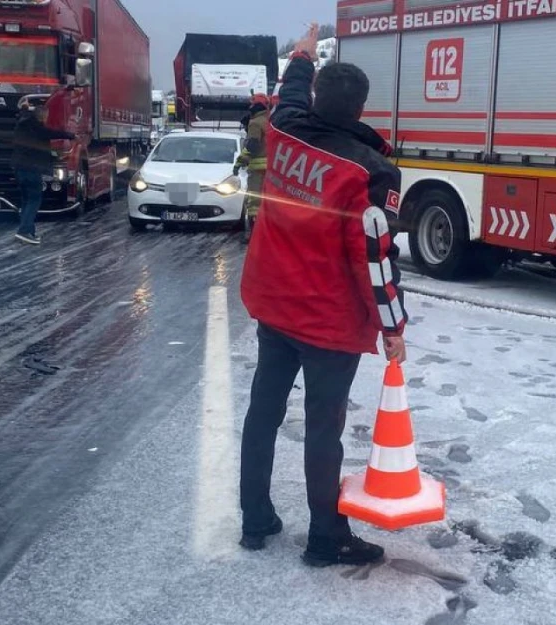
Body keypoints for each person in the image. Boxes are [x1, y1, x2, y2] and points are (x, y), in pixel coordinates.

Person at [238, 24, 409, 567]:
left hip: (274, 305)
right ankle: (326, 536)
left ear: (316, 98)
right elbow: (375, 262)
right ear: (361, 109)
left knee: (262, 412)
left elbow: (289, 90)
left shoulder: (285, 128)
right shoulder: (372, 173)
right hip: (328, 323)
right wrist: (393, 328)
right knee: (322, 429)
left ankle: (255, 518)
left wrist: (305, 53)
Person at [10, 101, 75, 245]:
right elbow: (52, 133)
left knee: (26, 200)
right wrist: (70, 135)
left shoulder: (22, 125)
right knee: (34, 200)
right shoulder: (38, 128)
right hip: (31, 169)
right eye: (46, 117)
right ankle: (24, 231)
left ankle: (29, 232)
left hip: (19, 168)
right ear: (42, 117)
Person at [233, 93, 271, 243]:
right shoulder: (270, 120)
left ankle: (254, 235)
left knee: (254, 202)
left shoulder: (255, 123)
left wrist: (239, 163)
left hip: (257, 170)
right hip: (271, 169)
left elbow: (252, 146)